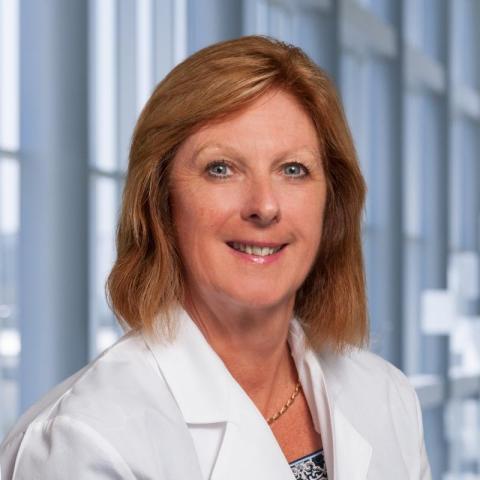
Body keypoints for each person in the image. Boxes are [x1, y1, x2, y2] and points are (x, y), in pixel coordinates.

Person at [0, 35, 431, 479]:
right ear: (160, 202)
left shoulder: (388, 397)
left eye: (293, 170)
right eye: (221, 168)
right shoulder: (85, 439)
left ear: (331, 203)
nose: (264, 206)